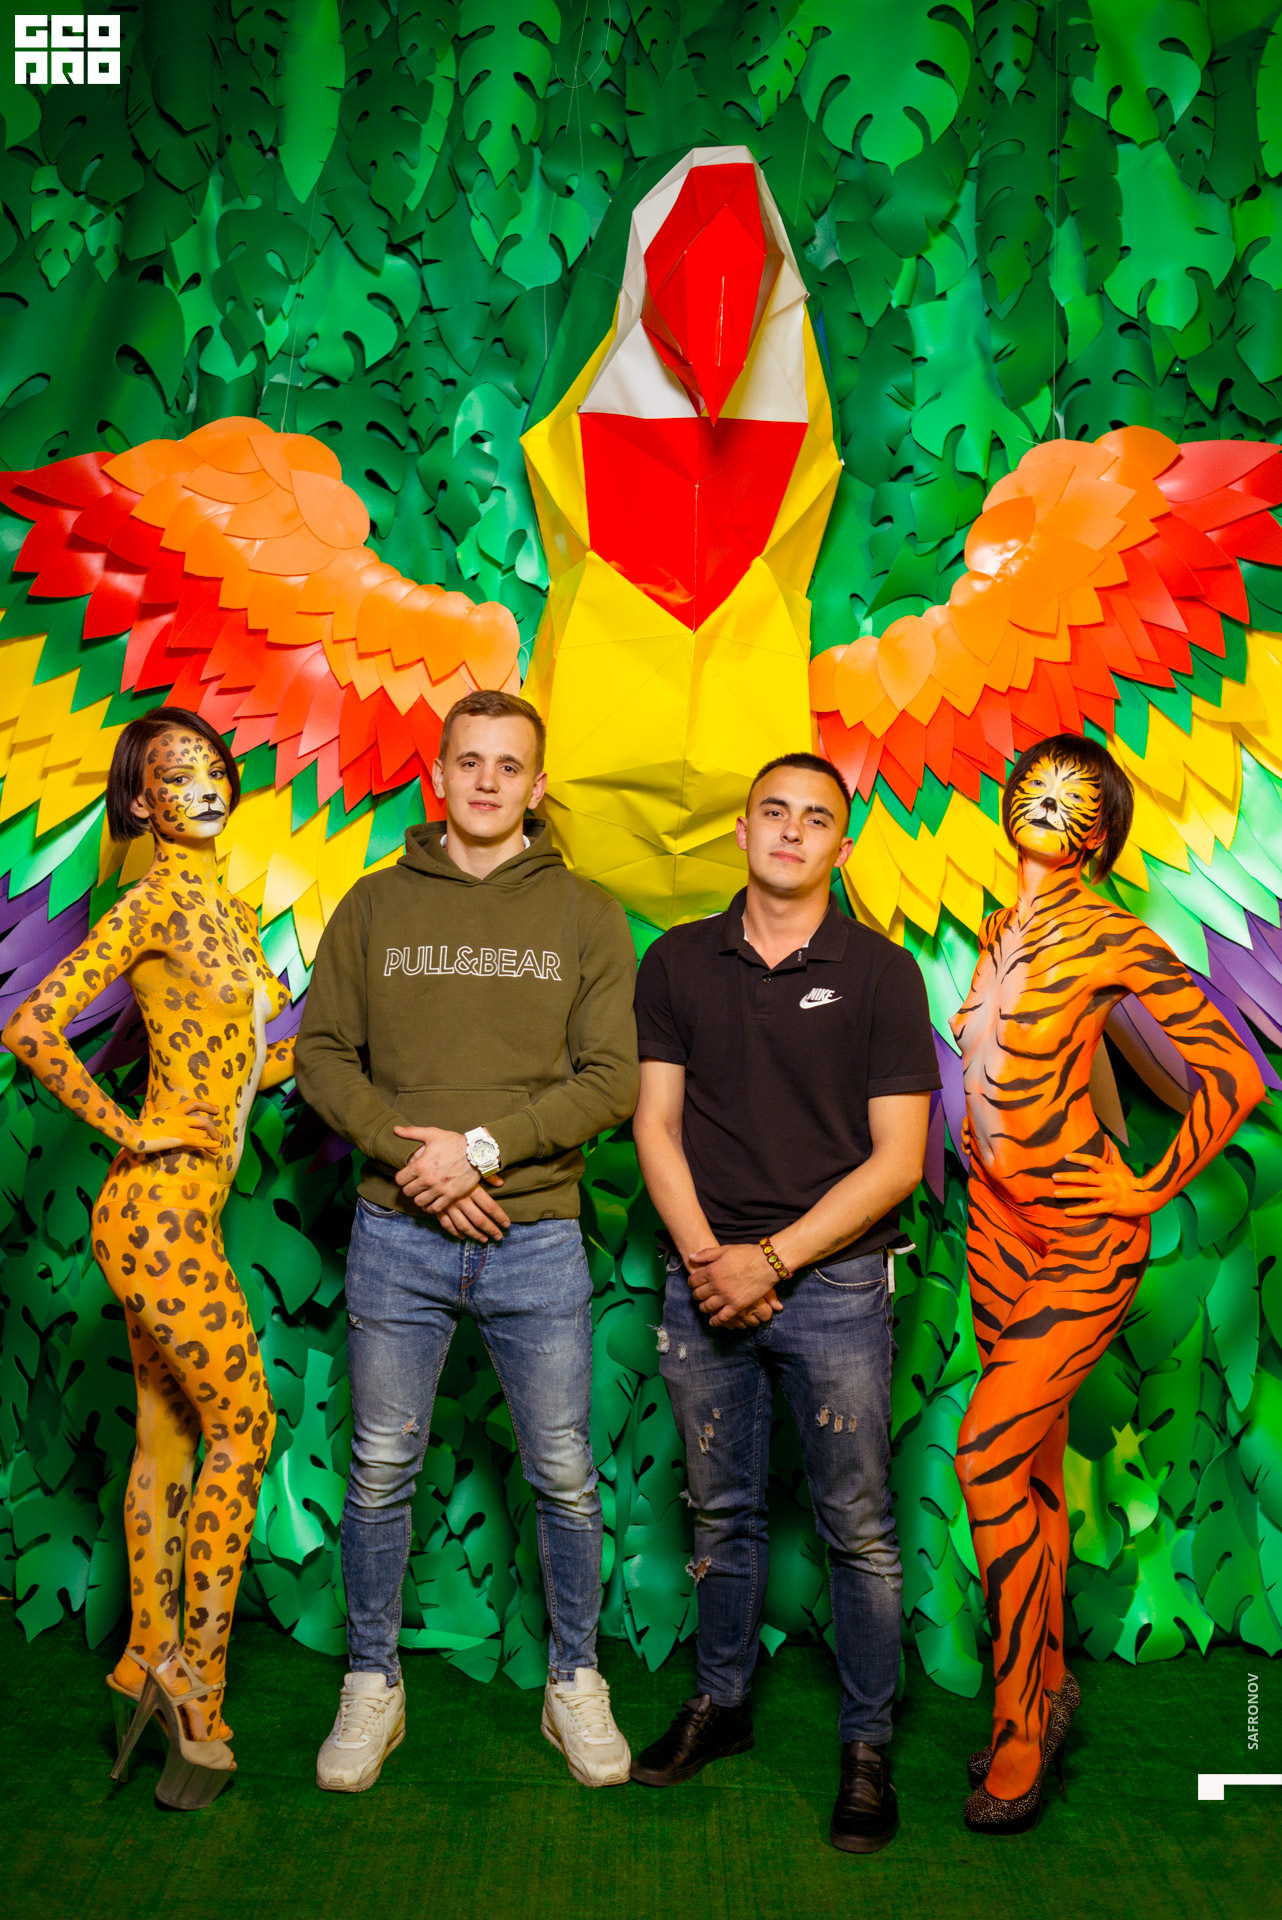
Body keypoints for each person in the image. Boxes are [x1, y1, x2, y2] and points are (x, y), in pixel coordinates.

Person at [294, 689, 639, 1794]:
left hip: (536, 1239)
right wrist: (418, 1166)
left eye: (510, 765)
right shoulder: (373, 904)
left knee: (565, 1473)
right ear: (438, 775)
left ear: (537, 787)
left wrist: (478, 1152)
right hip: (397, 1235)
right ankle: (372, 1681)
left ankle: (574, 1679)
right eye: (470, 761)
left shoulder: (586, 914)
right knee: (380, 1467)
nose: (488, 781)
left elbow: (613, 1080)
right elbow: (322, 1056)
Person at [951, 732, 1266, 1834]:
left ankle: (1018, 1727)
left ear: (1101, 833)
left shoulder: (1112, 935)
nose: (1047, 801)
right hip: (996, 1224)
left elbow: (1230, 1072)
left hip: (1083, 1235)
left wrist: (1146, 1186)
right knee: (1030, 1472)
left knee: (986, 1455)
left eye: (1072, 795)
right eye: (1033, 785)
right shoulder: (998, 931)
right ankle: (1042, 1689)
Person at [629, 751, 939, 1853]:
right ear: (743, 829)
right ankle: (720, 1704)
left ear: (840, 847)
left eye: (816, 819)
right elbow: (654, 1124)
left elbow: (898, 1160)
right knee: (722, 1512)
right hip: (705, 1275)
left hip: (835, 1282)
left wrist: (772, 1261)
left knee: (858, 1524)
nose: (793, 832)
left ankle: (866, 1746)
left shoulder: (881, 973)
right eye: (774, 812)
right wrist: (712, 1261)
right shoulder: (676, 960)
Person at [2, 707, 290, 1809]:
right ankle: (195, 1685)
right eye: (177, 774)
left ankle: (143, 1654)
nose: (205, 784)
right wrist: (131, 1128)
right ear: (142, 802)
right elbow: (32, 1024)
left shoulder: (229, 913)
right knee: (246, 1427)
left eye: (213, 766)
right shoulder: (152, 903)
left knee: (169, 1442)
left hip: (191, 1214)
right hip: (155, 1212)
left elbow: (242, 1069)